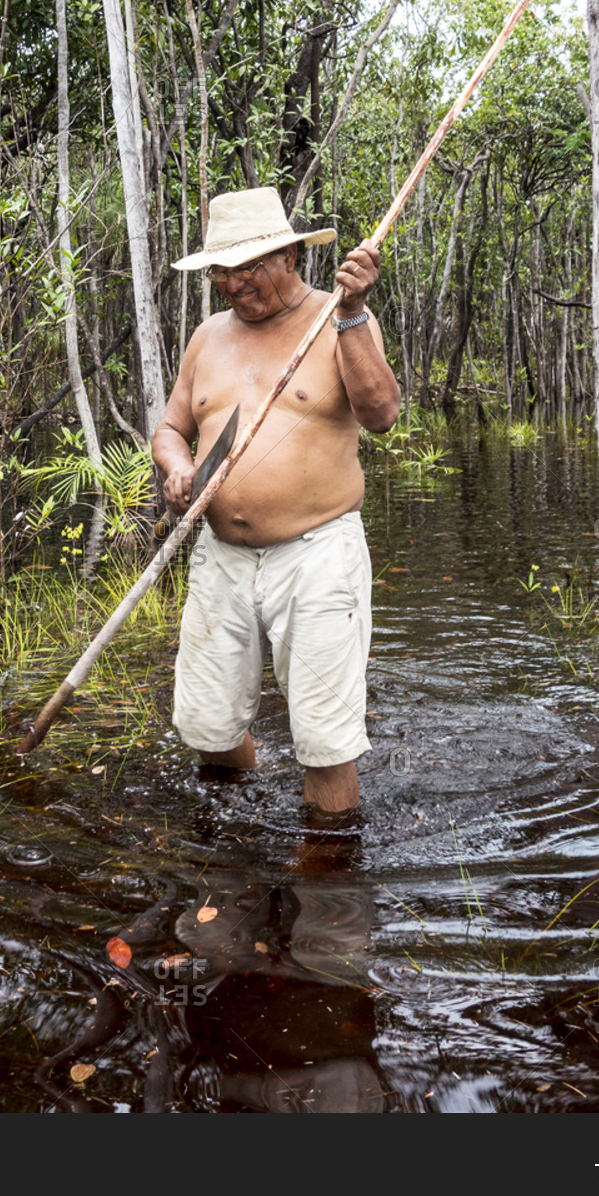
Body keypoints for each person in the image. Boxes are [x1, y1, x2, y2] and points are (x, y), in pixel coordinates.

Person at [151, 187, 401, 814]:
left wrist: (354, 311)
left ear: (290, 255)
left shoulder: (338, 318)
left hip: (317, 556)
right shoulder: (207, 338)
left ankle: (327, 881)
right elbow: (170, 428)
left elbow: (383, 415)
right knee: (209, 729)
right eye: (222, 270)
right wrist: (177, 466)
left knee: (323, 740)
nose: (234, 283)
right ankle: (237, 839)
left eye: (250, 265)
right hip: (221, 558)